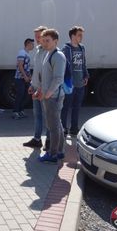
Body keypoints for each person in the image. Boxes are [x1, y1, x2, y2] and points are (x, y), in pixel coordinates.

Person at [35, 29, 66, 163]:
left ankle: (52, 154)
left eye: (47, 41)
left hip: (53, 97)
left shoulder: (58, 56)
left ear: (55, 41)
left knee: (53, 127)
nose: (45, 43)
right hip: (49, 95)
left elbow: (58, 78)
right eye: (43, 41)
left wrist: (47, 93)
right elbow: (45, 76)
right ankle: (59, 151)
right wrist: (40, 90)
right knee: (57, 124)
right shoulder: (48, 54)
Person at [23, 26, 49, 149]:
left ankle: (49, 142)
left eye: (39, 36)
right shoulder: (38, 51)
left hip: (44, 91)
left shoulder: (49, 52)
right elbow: (37, 71)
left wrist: (40, 90)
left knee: (48, 117)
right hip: (36, 89)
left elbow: (47, 74)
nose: (37, 39)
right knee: (37, 115)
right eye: (36, 37)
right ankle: (37, 139)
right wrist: (33, 86)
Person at [60, 26, 89, 136]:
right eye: (79, 35)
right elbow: (65, 66)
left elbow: (83, 63)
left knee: (77, 107)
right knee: (66, 107)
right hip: (69, 84)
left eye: (82, 35)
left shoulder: (82, 48)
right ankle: (63, 128)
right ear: (72, 36)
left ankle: (74, 128)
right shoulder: (66, 49)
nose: (81, 37)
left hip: (80, 83)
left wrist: (86, 76)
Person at [12, 39, 33, 119]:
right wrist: (25, 76)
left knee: (25, 94)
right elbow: (20, 66)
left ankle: (20, 110)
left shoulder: (26, 53)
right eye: (32, 44)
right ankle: (15, 112)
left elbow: (27, 67)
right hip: (19, 78)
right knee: (20, 95)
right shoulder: (22, 53)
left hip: (25, 78)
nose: (33, 46)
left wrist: (29, 77)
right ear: (28, 44)